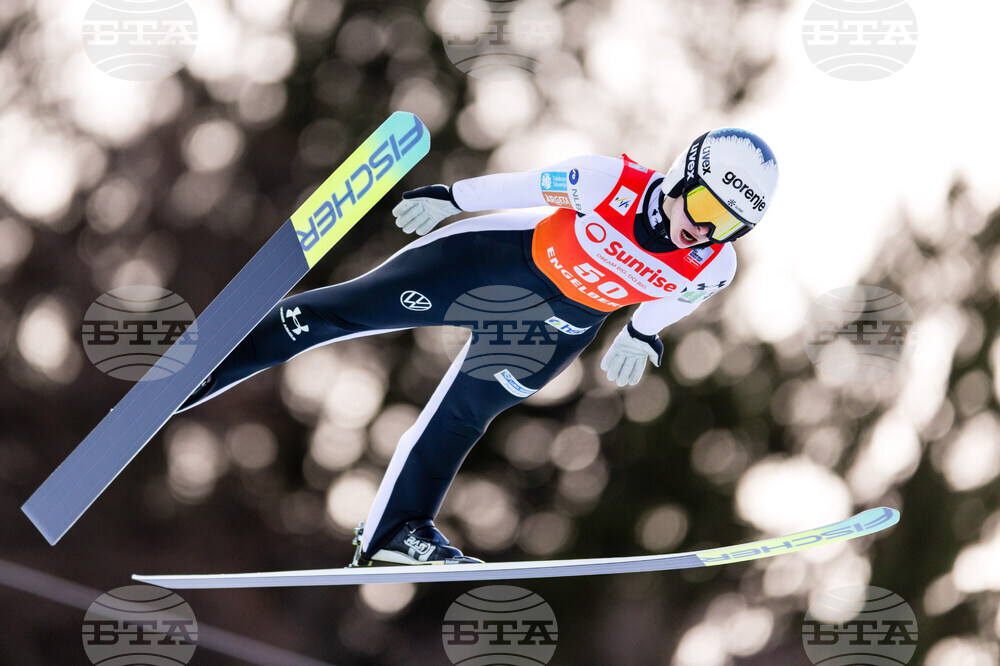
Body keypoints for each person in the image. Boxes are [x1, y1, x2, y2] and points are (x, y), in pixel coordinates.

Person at [178, 127, 779, 566]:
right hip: (491, 264)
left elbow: (679, 295)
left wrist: (642, 330)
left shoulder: (714, 263)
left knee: (464, 417)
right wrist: (453, 197)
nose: (704, 230)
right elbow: (526, 186)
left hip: (555, 326)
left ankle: (395, 532)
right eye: (704, 206)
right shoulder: (606, 182)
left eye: (727, 225)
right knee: (346, 312)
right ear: (681, 176)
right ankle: (207, 367)